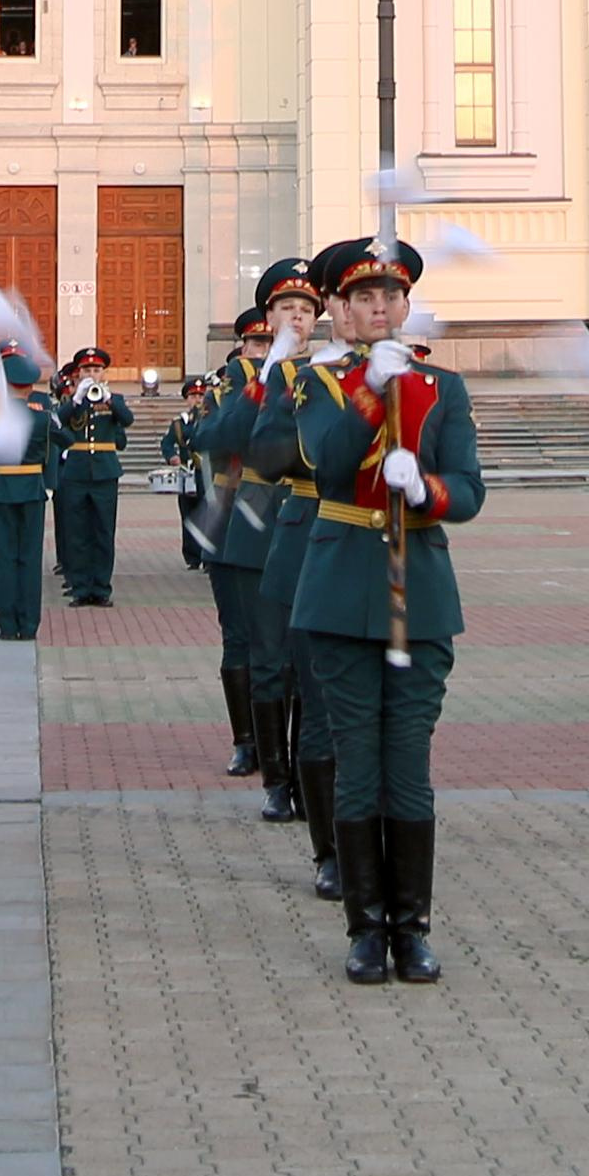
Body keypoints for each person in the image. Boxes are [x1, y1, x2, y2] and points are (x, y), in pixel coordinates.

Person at [289, 243, 483, 983]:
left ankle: (414, 926)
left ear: (406, 307)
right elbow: (324, 460)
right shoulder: (317, 384)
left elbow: (468, 490)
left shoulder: (443, 386)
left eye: (389, 297)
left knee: (409, 768)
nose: (377, 308)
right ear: (338, 309)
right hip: (339, 594)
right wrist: (372, 389)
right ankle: (365, 929)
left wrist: (425, 489)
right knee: (357, 768)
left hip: (421, 596)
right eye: (362, 297)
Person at [243, 257, 329, 838]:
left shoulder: (330, 372)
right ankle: (277, 779)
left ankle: (311, 778)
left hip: (328, 529)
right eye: (286, 311)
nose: (297, 319)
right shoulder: (265, 377)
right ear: (268, 319)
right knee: (271, 659)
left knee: (314, 670)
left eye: (306, 311)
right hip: (274, 528)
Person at [198, 307, 274, 777]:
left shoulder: (309, 383)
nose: (264, 353)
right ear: (242, 348)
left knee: (283, 643)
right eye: (257, 345)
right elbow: (210, 438)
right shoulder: (229, 390)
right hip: (234, 523)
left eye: (271, 344)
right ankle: (247, 741)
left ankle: (281, 745)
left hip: (286, 519)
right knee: (240, 638)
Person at [0, 345, 55, 641]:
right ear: (31, 386)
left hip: (2, 489)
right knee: (30, 559)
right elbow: (67, 437)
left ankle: (7, 624)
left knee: (5, 557)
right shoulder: (43, 417)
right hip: (32, 489)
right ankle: (29, 624)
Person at [54, 345, 132, 605]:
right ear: (79, 373)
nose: (92, 374)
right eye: (87, 369)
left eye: (96, 369)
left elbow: (127, 419)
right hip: (76, 471)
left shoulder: (114, 399)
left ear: (103, 373)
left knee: (102, 531)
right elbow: (56, 422)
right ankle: (79, 587)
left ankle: (101, 588)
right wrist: (76, 399)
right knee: (77, 533)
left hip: (105, 471)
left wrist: (108, 399)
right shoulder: (72, 402)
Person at [161, 374, 214, 572]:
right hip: (188, 474)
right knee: (189, 515)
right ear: (186, 399)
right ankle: (192, 556)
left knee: (209, 515)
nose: (197, 400)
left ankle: (208, 557)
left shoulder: (212, 419)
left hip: (207, 472)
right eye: (193, 397)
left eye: (201, 396)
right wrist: (172, 457)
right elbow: (167, 443)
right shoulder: (179, 423)